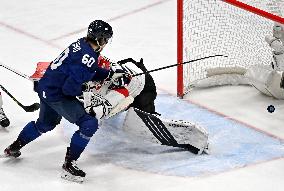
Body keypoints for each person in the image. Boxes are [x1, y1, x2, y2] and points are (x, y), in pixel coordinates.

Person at [3, 20, 130, 183]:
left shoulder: (81, 44)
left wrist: (109, 74)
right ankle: (69, 166)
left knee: (45, 124)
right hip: (57, 95)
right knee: (89, 124)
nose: (106, 43)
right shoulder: (89, 56)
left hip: (45, 87)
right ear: (100, 39)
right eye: (106, 39)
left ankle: (14, 147)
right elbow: (70, 89)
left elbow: (87, 69)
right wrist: (85, 94)